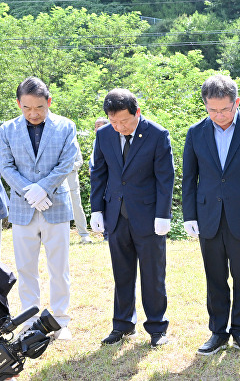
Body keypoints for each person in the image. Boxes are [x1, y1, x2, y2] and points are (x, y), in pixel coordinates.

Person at [182, 74, 240, 355]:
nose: (219, 115)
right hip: (208, 215)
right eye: (212, 110)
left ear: (237, 102)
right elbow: (189, 178)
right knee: (215, 277)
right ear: (205, 106)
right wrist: (189, 216)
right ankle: (218, 332)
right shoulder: (196, 132)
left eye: (225, 109)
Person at [90, 88, 174, 348]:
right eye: (113, 121)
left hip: (148, 217)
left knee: (153, 274)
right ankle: (123, 324)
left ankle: (157, 327)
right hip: (116, 215)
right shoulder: (104, 134)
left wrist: (163, 215)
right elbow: (98, 174)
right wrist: (96, 210)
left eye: (124, 121)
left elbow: (165, 178)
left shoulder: (157, 135)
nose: (119, 127)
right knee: (122, 273)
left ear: (137, 112)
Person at [0, 76, 78, 340]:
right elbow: (5, 166)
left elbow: (67, 163)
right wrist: (29, 192)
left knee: (59, 267)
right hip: (22, 210)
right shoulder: (6, 129)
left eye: (39, 108)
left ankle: (60, 321)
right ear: (19, 104)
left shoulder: (66, 126)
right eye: (27, 108)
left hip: (55, 206)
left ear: (49, 102)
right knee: (25, 268)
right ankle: (30, 319)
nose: (33, 113)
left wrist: (43, 188)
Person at [66, 140, 92, 244]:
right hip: (55, 182)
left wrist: (65, 168)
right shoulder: (52, 140)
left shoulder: (74, 143)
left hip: (71, 182)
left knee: (77, 207)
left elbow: (79, 161)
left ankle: (84, 235)